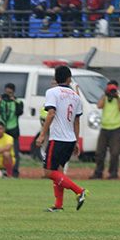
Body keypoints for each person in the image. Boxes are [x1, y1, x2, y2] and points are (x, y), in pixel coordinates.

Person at [35, 65, 88, 212]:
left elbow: (51, 113)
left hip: (58, 139)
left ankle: (79, 191)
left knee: (48, 172)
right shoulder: (76, 97)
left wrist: (42, 134)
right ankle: (58, 205)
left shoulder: (52, 92)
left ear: (55, 78)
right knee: (58, 171)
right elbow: (77, 121)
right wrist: (76, 141)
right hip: (70, 140)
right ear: (69, 79)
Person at [91, 80, 120, 180]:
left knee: (115, 153)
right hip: (104, 128)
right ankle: (98, 172)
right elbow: (99, 105)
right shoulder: (105, 97)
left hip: (116, 128)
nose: (111, 91)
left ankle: (113, 173)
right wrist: (105, 95)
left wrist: (117, 97)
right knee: (100, 152)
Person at [0, 82, 23, 176]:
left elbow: (20, 112)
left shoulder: (18, 102)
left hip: (13, 129)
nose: (8, 94)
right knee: (1, 150)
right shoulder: (2, 101)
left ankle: (14, 172)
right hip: (3, 130)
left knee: (15, 152)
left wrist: (14, 101)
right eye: (6, 92)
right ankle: (2, 170)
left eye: (10, 93)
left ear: (13, 92)